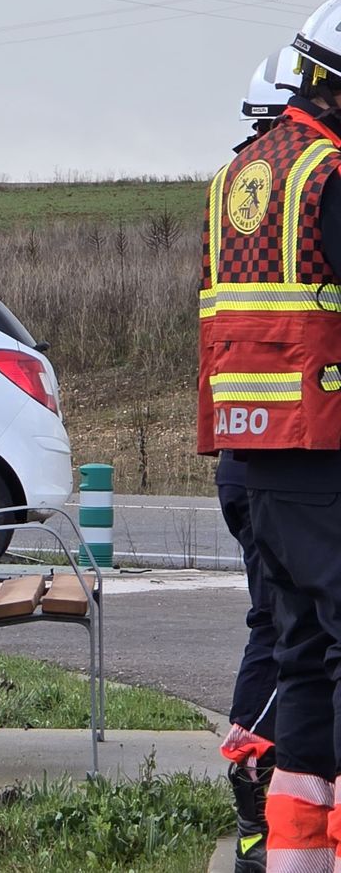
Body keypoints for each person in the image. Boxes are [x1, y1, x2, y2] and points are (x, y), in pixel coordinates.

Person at [199, 0, 341, 871]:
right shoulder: (330, 176)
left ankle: (291, 858)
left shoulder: (243, 175)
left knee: (302, 663)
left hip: (249, 463)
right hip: (319, 460)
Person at [217, 48, 299, 873]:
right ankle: (258, 779)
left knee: (271, 624)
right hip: (286, 457)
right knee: (294, 631)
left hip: (246, 450)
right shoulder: (300, 191)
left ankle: (256, 802)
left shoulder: (236, 195)